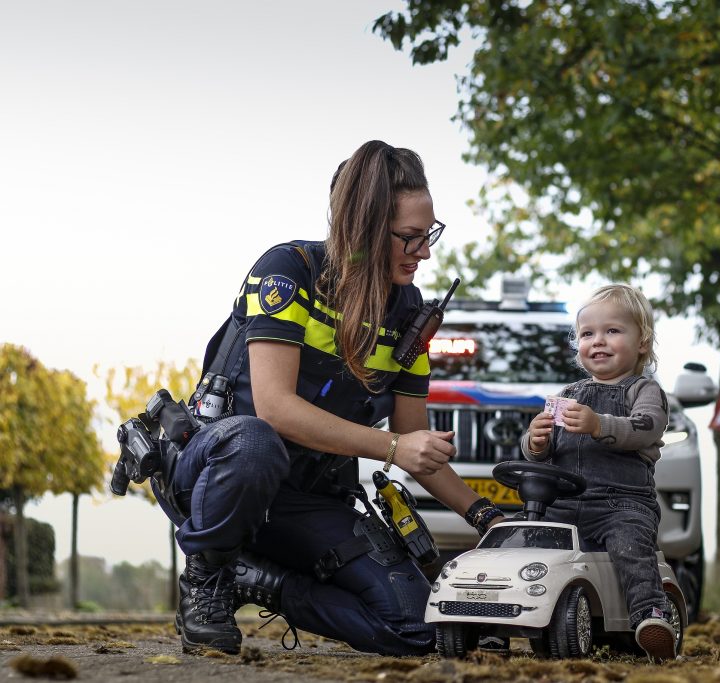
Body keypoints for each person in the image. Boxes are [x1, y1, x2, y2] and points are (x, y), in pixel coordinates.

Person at [150, 140, 505, 656]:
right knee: (254, 441)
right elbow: (275, 409)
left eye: (429, 234)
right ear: (363, 228)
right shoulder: (287, 272)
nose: (424, 251)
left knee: (417, 628)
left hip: (307, 498)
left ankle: (260, 580)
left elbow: (414, 443)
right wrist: (390, 448)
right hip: (219, 473)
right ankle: (207, 581)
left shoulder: (410, 314)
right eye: (410, 238)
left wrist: (487, 517)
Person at [521, 284, 678, 662]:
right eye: (587, 334)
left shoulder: (643, 390)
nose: (598, 341)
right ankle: (497, 618)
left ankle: (651, 616)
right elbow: (545, 454)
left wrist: (597, 424)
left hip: (621, 504)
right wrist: (536, 442)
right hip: (565, 505)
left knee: (631, 546)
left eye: (612, 331)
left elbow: (647, 427)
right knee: (520, 538)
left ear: (642, 342)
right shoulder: (569, 393)